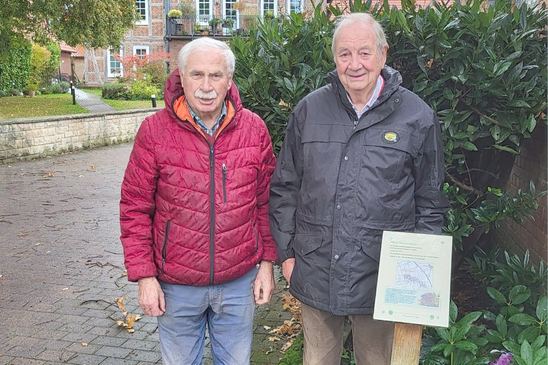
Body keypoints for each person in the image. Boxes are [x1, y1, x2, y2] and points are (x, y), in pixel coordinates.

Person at [269, 13, 450, 365]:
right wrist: (287, 257)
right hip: (315, 267)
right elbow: (285, 187)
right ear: (334, 58)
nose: (355, 65)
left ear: (383, 55)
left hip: (383, 276)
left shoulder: (417, 116)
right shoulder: (309, 110)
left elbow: (430, 202)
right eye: (344, 54)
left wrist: (420, 275)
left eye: (364, 53)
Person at [120, 37, 277, 364]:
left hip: (239, 284)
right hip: (176, 286)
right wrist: (145, 276)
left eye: (216, 75)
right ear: (181, 76)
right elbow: (135, 209)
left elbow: (265, 204)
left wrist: (266, 265)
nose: (206, 86)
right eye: (197, 75)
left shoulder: (255, 130)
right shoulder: (154, 131)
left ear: (229, 80)